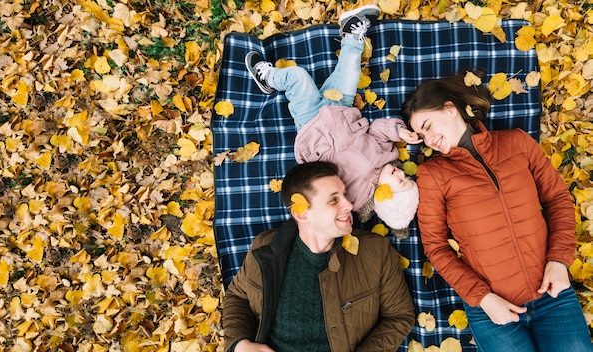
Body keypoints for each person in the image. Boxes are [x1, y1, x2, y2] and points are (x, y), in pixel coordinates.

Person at [400, 72, 593, 352]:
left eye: (428, 126)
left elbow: (558, 198)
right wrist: (483, 298)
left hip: (553, 295)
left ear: (450, 109)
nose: (428, 140)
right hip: (492, 308)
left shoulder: (517, 142)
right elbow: (436, 247)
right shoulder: (433, 174)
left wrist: (560, 260)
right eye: (421, 135)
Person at [245, 4, 421, 226]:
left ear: (385, 196)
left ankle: (268, 78)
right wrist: (399, 131)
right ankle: (352, 31)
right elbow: (376, 131)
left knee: (298, 78)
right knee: (350, 70)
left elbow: (321, 190)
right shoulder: (386, 154)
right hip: (341, 110)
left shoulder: (353, 199)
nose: (401, 174)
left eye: (401, 182)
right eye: (406, 177)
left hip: (313, 128)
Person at [222, 161, 415, 352]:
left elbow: (400, 316)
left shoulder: (375, 251)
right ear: (301, 213)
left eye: (345, 195)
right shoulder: (265, 247)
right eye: (333, 200)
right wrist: (240, 345)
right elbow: (238, 296)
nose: (349, 204)